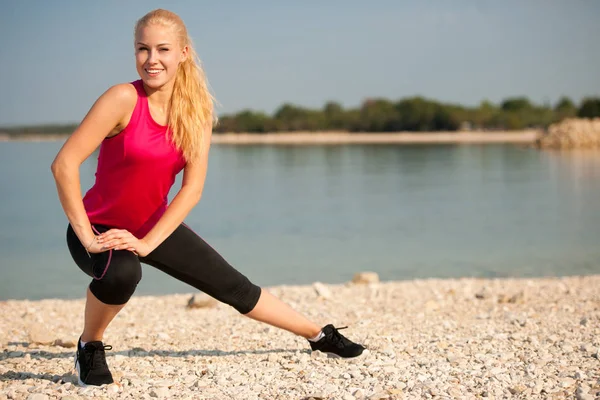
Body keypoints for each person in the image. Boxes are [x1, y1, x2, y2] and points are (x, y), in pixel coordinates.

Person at [51, 8, 365, 387]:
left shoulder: (195, 112)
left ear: (183, 53)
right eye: (142, 49)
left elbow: (192, 188)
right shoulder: (122, 98)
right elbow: (64, 164)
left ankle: (319, 336)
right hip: (98, 227)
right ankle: (90, 345)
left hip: (152, 227)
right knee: (122, 273)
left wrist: (148, 242)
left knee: (234, 286)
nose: (152, 60)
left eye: (163, 49)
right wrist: (87, 237)